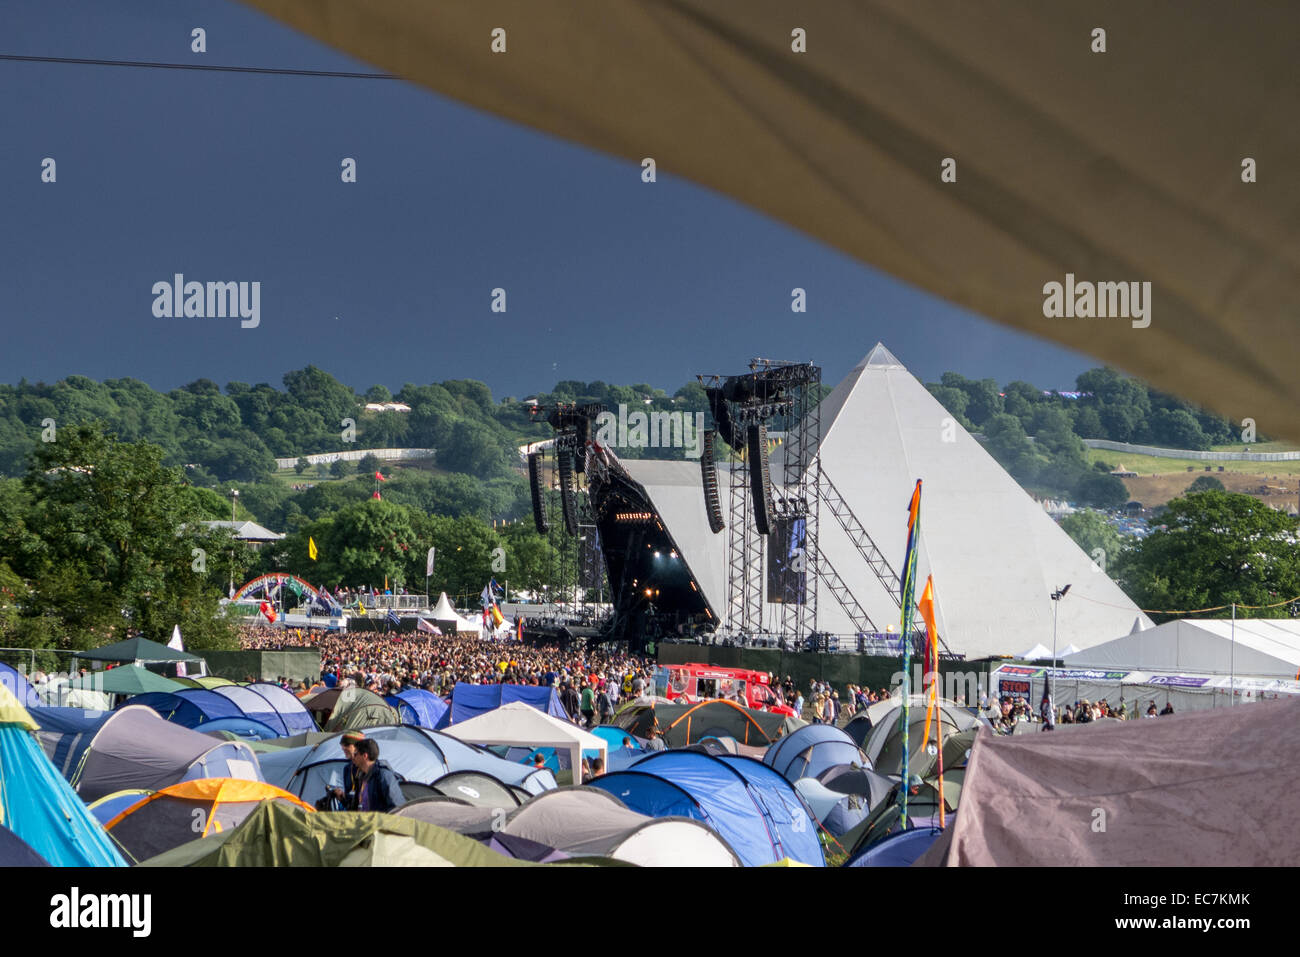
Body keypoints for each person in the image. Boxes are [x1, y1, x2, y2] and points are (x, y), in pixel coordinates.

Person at [353, 739, 405, 813]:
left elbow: (397, 806)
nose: (353, 757)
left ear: (365, 756)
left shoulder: (384, 775)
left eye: (355, 754)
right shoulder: (362, 776)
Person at [319, 731, 365, 810]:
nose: (343, 748)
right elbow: (349, 801)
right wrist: (341, 796)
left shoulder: (368, 768)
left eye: (347, 745)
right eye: (342, 745)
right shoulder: (347, 769)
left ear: (358, 747)